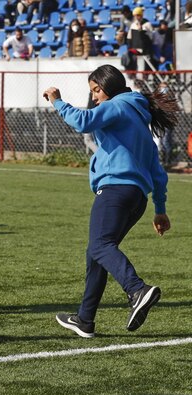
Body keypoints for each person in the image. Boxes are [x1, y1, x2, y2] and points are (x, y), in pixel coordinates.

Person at [43, 64, 178, 338]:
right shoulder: (139, 120)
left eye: (96, 89)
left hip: (115, 189)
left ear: (110, 85)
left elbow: (83, 121)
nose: (94, 97)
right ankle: (85, 319)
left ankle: (137, 290)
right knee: (97, 253)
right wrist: (160, 210)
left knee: (100, 245)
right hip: (136, 198)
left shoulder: (118, 105)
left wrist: (57, 101)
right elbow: (158, 174)